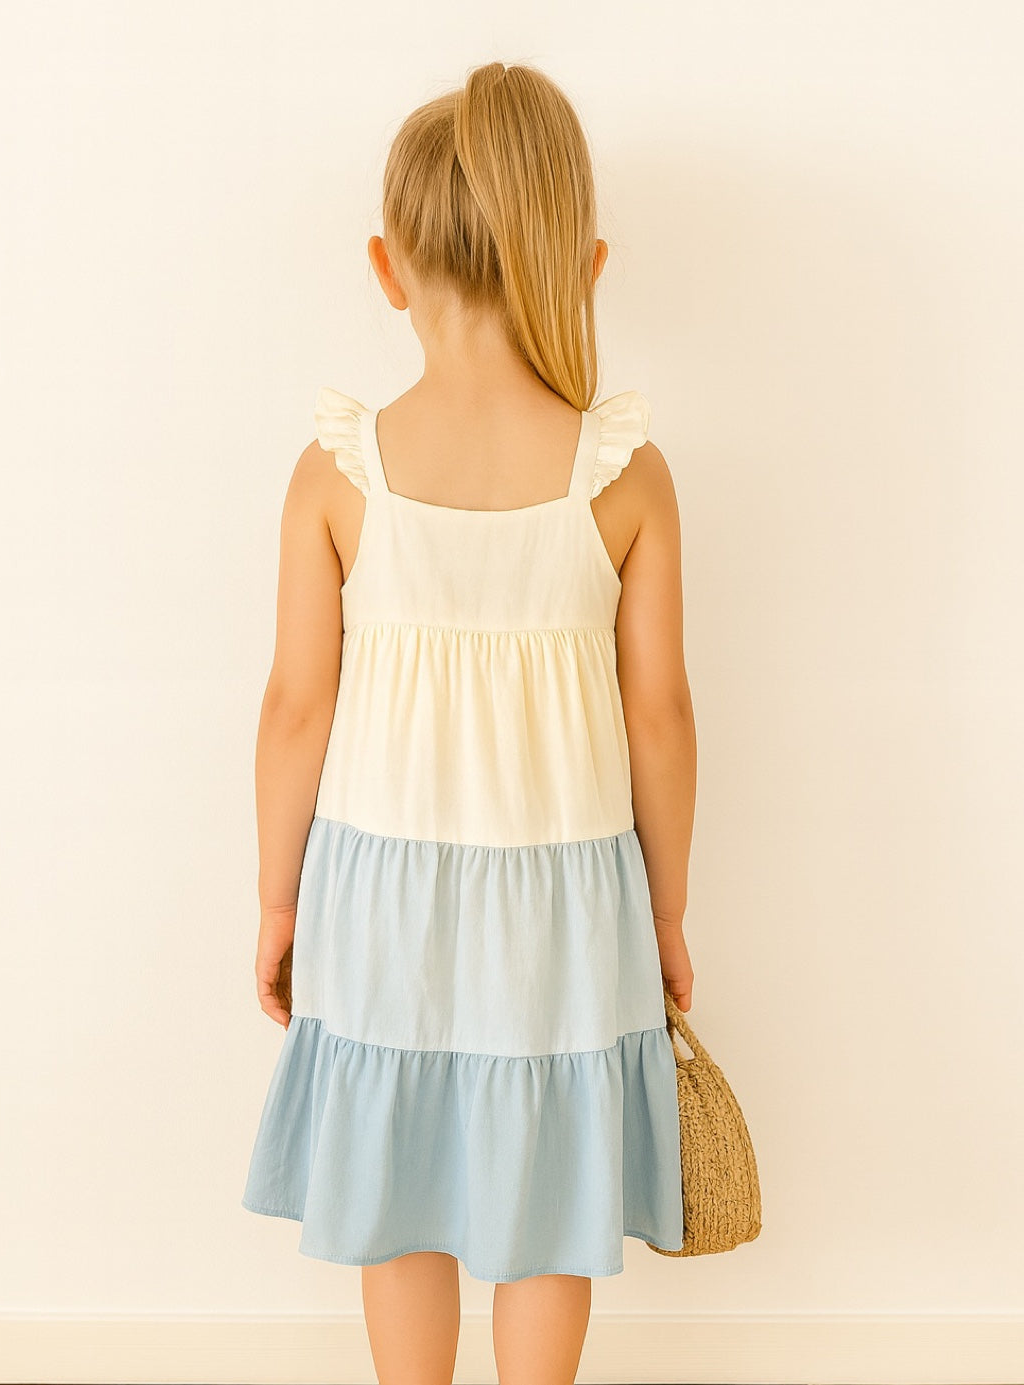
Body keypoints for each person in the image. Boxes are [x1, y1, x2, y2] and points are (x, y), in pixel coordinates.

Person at [241, 59, 697, 1385]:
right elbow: (659, 714)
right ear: (588, 259)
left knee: (399, 1168)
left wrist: (278, 901)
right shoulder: (624, 474)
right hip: (567, 894)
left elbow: (292, 707)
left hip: (377, 881)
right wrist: (666, 911)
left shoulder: (340, 474)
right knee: (549, 1181)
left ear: (388, 265)